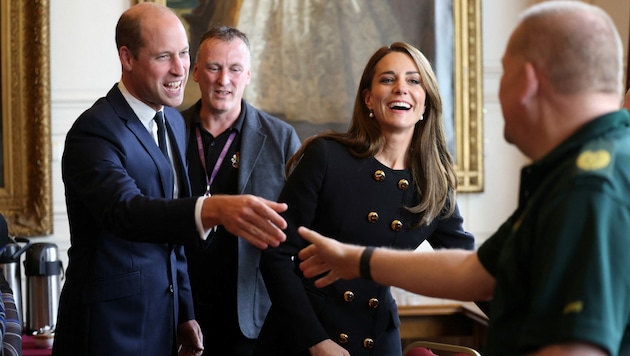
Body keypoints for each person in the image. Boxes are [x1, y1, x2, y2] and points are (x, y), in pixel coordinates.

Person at [298, 2, 630, 355]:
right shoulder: (568, 174)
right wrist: (359, 260)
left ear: (528, 81)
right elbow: (478, 274)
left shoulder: (590, 186)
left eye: (503, 72)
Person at [54, 4, 288, 356]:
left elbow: (173, 239)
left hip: (163, 326)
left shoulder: (173, 124)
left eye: (183, 54)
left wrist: (184, 313)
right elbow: (125, 211)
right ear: (127, 57)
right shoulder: (95, 131)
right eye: (164, 56)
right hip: (108, 330)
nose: (179, 69)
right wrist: (214, 210)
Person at [254, 42, 474, 356]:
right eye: (388, 79)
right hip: (303, 338)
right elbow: (274, 256)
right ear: (369, 99)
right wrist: (317, 342)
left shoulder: (434, 184)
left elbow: (468, 267)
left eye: (413, 81)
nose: (401, 88)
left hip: (376, 340)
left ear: (426, 104)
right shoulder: (326, 156)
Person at [181, 26, 300, 356]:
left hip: (250, 317)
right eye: (213, 67)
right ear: (195, 72)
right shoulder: (169, 132)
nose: (223, 80)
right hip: (180, 309)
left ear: (248, 75)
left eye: (234, 69)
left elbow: (298, 231)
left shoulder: (282, 138)